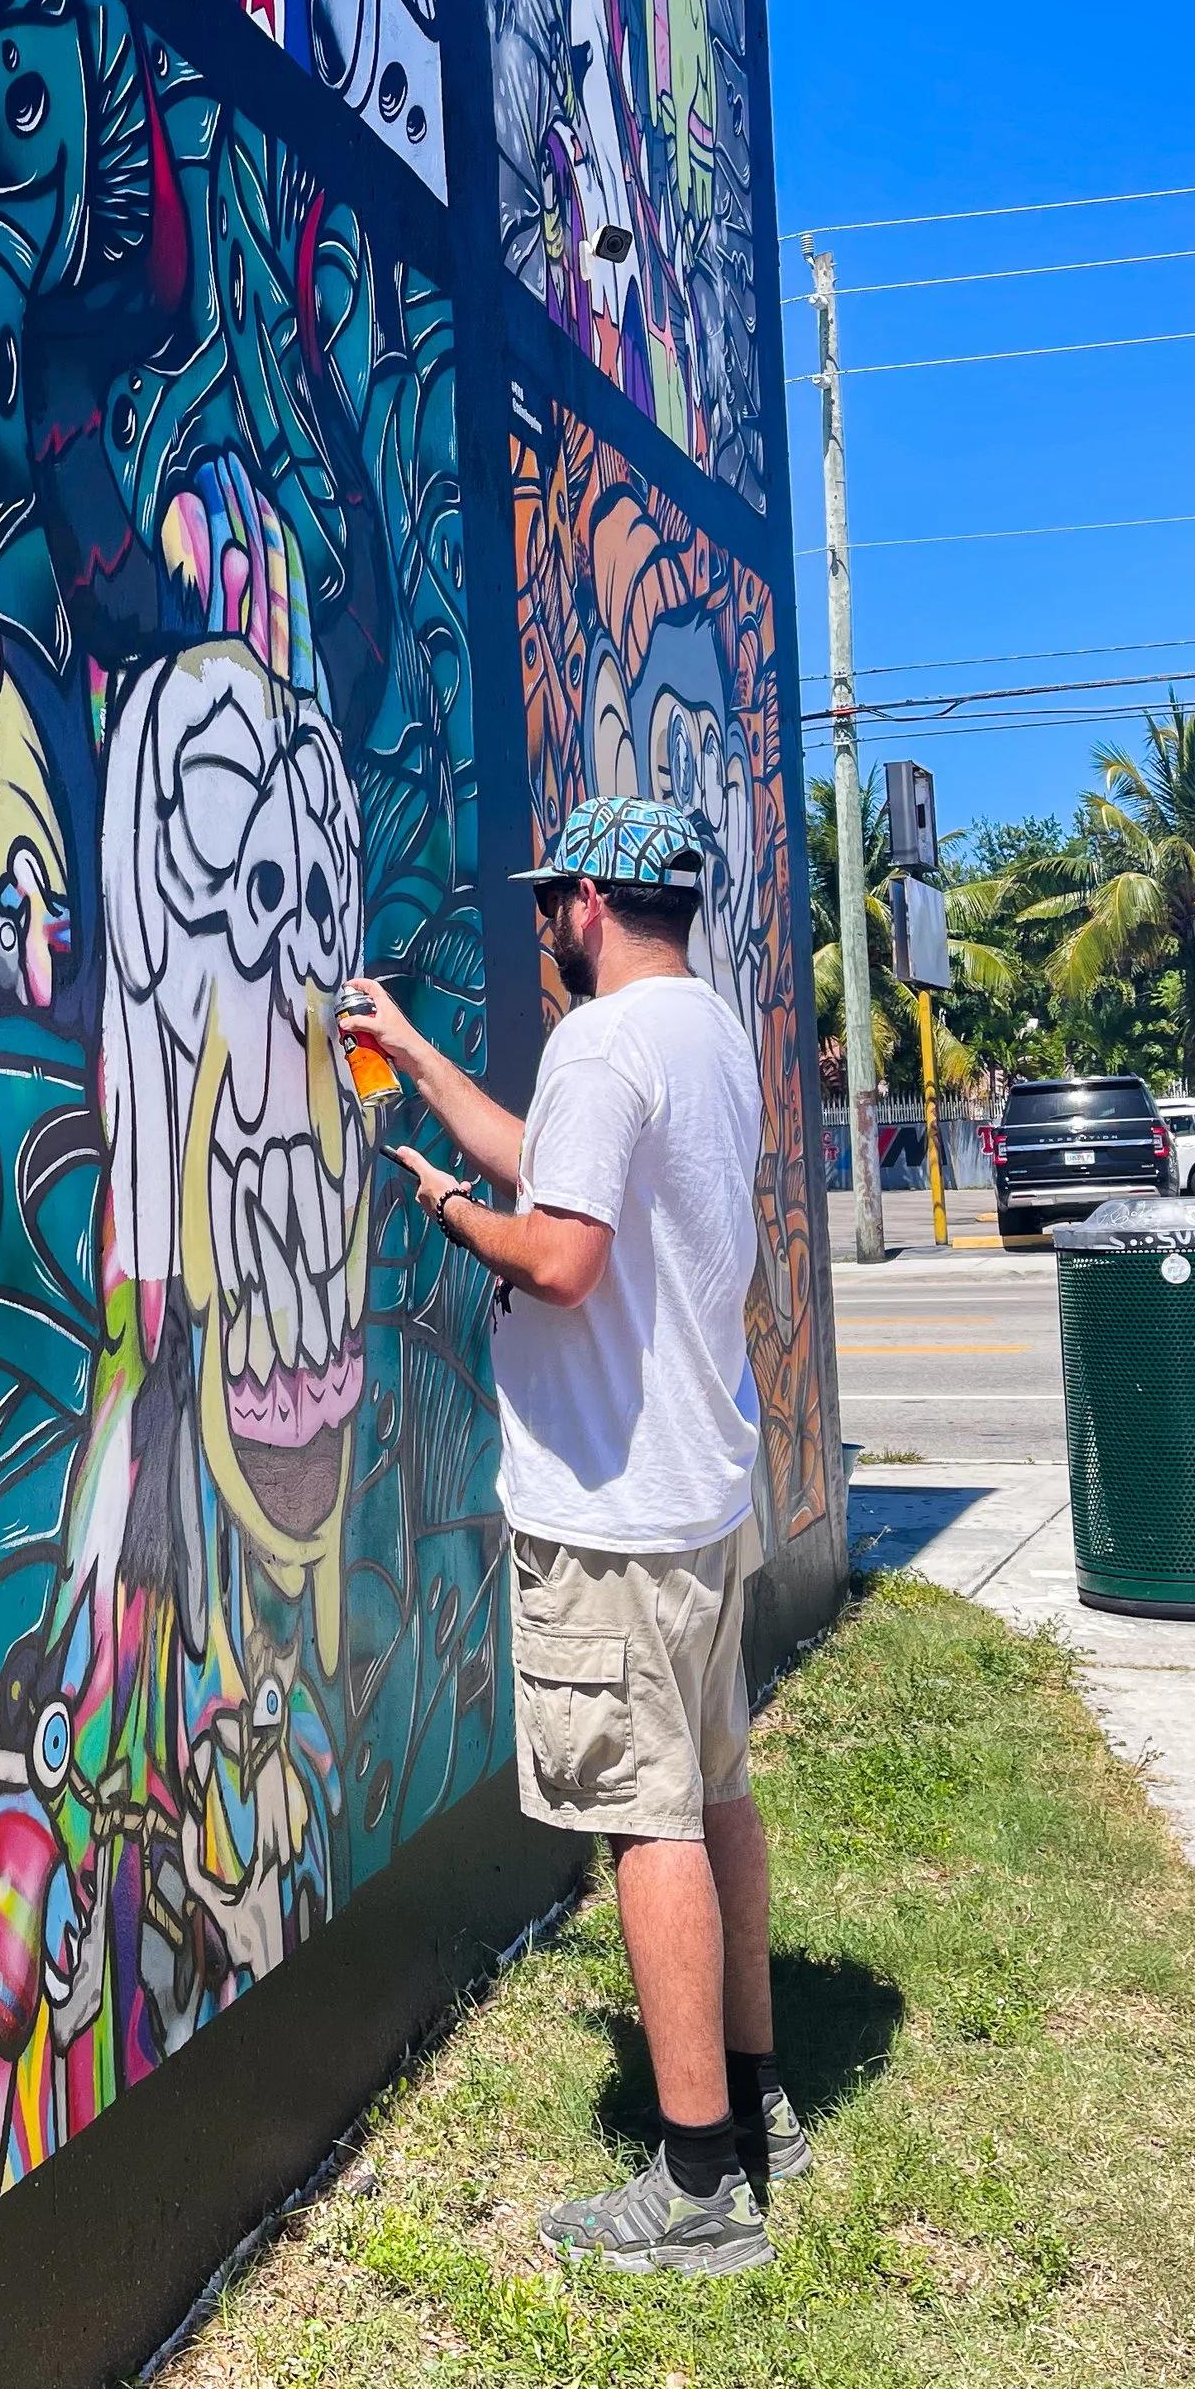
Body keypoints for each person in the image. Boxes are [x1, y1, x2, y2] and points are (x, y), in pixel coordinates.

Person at [339, 795, 808, 2275]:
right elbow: (564, 1162)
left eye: (553, 901)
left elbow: (559, 1252)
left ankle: (695, 2189)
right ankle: (756, 2100)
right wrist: (416, 1065)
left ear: (591, 904)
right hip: (695, 1491)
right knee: (713, 1790)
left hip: (608, 1512)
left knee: (644, 1818)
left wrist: (456, 1218)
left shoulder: (604, 1041)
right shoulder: (704, 1037)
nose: (542, 923)